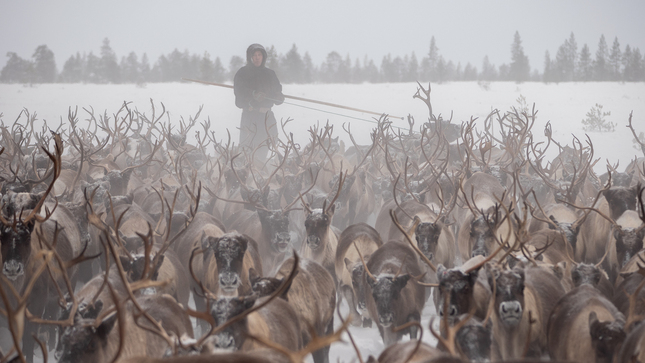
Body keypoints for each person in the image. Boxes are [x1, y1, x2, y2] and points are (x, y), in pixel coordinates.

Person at [233, 43, 285, 162]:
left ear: (263, 57)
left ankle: (262, 173)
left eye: (259, 55)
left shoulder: (270, 74)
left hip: (267, 119)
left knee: (265, 150)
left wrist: (278, 97)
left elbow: (278, 93)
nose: (257, 57)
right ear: (250, 57)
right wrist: (252, 96)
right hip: (250, 118)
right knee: (247, 154)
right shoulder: (242, 73)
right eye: (254, 55)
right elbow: (239, 99)